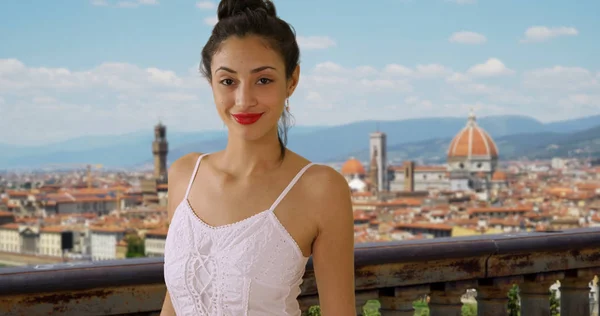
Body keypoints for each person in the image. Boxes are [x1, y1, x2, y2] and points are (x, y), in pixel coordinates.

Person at [160, 0, 356, 315]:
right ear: (211, 83)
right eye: (228, 81)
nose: (243, 100)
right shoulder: (184, 174)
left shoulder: (321, 189)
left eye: (263, 80)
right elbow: (177, 299)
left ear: (292, 80)